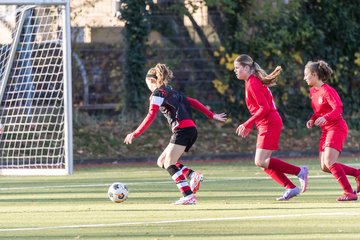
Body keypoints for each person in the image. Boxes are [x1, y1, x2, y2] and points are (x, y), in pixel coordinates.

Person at [124, 63, 227, 205]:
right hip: (190, 129)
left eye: (147, 82)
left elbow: (150, 116)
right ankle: (192, 175)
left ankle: (188, 195)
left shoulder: (157, 94)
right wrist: (211, 115)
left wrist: (134, 133)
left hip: (182, 130)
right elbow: (193, 101)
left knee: (169, 163)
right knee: (161, 161)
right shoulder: (171, 91)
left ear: (151, 80)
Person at [233, 54, 308, 201]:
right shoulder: (251, 81)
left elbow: (265, 108)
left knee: (260, 161)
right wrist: (252, 124)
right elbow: (260, 108)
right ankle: (291, 187)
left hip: (270, 122)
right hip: (266, 122)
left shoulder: (253, 82)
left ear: (247, 67)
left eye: (237, 68)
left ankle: (300, 171)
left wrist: (247, 123)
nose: (235, 71)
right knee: (262, 163)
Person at [304, 60, 359, 201]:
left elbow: (338, 108)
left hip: (336, 128)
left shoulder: (328, 90)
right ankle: (358, 174)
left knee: (330, 161)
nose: (305, 78)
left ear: (315, 75)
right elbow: (318, 111)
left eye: (306, 75)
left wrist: (326, 118)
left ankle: (349, 193)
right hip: (326, 130)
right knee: (325, 166)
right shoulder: (313, 91)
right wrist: (312, 118)